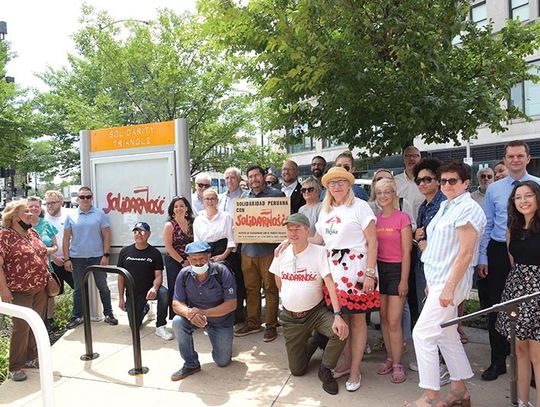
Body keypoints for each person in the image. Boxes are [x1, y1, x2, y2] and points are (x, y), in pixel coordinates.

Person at [407, 160, 486, 407]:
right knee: (446, 335)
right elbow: (442, 249)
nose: (446, 185)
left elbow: (465, 252)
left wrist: (449, 286)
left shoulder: (468, 208)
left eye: (453, 181)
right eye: (443, 180)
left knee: (422, 334)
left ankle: (431, 396)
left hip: (450, 282)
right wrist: (433, 281)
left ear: (465, 183)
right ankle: (459, 390)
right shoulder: (446, 206)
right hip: (439, 280)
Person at [477, 141, 540, 381]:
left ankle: (534, 368)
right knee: (497, 306)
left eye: (519, 155)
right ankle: (498, 361)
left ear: (528, 158)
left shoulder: (538, 186)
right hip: (499, 251)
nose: (515, 160)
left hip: (531, 252)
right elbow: (488, 224)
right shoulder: (494, 189)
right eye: (510, 156)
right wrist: (483, 256)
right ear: (504, 159)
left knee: (533, 310)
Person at [314, 166, 378, 392]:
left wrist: (370, 272)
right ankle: (346, 362)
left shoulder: (360, 207)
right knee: (343, 319)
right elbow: (318, 240)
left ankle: (355, 370)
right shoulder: (325, 210)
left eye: (341, 182)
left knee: (358, 321)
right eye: (332, 183)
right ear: (327, 187)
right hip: (335, 272)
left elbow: (373, 240)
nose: (337, 186)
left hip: (357, 269)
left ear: (349, 185)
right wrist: (291, 243)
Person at [270, 213, 349, 395]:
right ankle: (315, 341)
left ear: (307, 230)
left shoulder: (319, 252)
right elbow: (278, 281)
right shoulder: (281, 253)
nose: (293, 232)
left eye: (297, 228)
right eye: (289, 229)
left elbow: (330, 284)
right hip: (291, 318)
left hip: (315, 312)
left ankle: (325, 369)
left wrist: (338, 316)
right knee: (297, 370)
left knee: (340, 332)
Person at [496, 181, 540, 407]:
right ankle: (523, 401)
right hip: (517, 288)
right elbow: (514, 261)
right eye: (518, 197)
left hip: (538, 292)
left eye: (528, 195)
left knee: (538, 354)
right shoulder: (512, 227)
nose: (523, 201)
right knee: (519, 348)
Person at [170, 241, 237, 381]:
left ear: (209, 256)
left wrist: (202, 312)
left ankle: (223, 343)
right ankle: (191, 364)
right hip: (195, 318)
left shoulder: (221, 271)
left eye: (201, 259)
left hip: (220, 320)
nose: (198, 263)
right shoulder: (184, 274)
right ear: (188, 259)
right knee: (177, 322)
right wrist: (189, 313)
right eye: (194, 260)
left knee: (223, 362)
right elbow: (176, 303)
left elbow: (231, 304)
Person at [235, 164, 285, 342]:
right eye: (250, 176)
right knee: (251, 289)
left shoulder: (277, 195)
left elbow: (283, 223)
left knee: (271, 289)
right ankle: (253, 322)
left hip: (269, 251)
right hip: (248, 251)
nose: (254, 179)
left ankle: (271, 325)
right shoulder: (243, 197)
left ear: (264, 177)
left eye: (257, 176)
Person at [0, 200, 49, 382]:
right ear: (13, 216)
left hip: (40, 288)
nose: (31, 213)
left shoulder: (32, 232)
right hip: (20, 290)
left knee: (36, 323)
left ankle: (31, 358)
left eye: (31, 210)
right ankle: (15, 366)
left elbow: (42, 254)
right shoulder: (5, 235)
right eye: (26, 211)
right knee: (21, 328)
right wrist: (3, 289)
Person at [374, 178, 412, 384]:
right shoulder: (375, 219)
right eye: (379, 193)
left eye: (386, 192)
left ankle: (398, 363)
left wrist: (404, 280)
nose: (383, 196)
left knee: (395, 320)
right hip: (380, 270)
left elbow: (407, 252)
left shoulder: (402, 218)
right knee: (384, 319)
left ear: (393, 193)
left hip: (397, 270)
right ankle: (390, 357)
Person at [63, 187, 117, 329]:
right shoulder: (71, 216)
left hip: (97, 257)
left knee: (103, 287)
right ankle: (77, 316)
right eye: (82, 197)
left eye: (88, 196)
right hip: (77, 258)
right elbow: (66, 238)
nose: (85, 199)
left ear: (92, 198)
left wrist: (106, 255)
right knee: (78, 289)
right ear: (77, 199)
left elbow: (106, 235)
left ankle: (109, 314)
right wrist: (67, 259)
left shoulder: (100, 214)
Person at [193, 188, 244, 323]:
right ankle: (210, 316)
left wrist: (223, 256)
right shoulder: (198, 220)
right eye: (206, 199)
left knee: (232, 284)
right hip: (205, 255)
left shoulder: (226, 216)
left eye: (212, 198)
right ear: (203, 201)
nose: (209, 201)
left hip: (226, 253)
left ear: (217, 200)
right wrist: (205, 258)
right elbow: (197, 242)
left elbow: (231, 239)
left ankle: (234, 317)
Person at [117, 222, 173, 341]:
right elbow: (121, 277)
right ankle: (146, 308)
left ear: (148, 234)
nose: (139, 235)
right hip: (133, 293)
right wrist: (121, 298)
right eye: (136, 232)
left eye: (142, 232)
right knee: (134, 326)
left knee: (164, 293)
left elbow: (159, 276)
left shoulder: (155, 253)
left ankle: (160, 326)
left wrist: (154, 288)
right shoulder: (125, 252)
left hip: (149, 290)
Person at [27, 196, 58, 331]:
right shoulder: (21, 224)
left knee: (48, 293)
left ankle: (49, 320)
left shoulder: (47, 225)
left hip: (46, 266)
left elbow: (56, 246)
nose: (34, 209)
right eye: (31, 206)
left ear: (41, 209)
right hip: (26, 269)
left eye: (37, 206)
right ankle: (31, 323)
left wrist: (47, 250)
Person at [163, 196, 194, 320]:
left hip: (191, 261)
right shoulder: (169, 225)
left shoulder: (193, 223)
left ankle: (191, 315)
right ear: (172, 209)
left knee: (191, 289)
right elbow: (168, 247)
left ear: (187, 208)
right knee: (177, 288)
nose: (179, 208)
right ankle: (177, 316)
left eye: (181, 205)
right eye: (176, 206)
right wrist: (182, 261)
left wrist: (191, 260)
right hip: (174, 261)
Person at [44, 190, 74, 293]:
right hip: (52, 263)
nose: (50, 206)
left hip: (70, 260)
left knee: (81, 289)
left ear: (61, 203)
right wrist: (53, 257)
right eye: (48, 203)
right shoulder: (43, 220)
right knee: (55, 293)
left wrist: (67, 258)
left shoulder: (70, 216)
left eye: (53, 203)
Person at [395, 146, 425, 222]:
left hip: (422, 227)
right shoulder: (394, 181)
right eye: (408, 156)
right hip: (400, 227)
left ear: (420, 159)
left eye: (415, 156)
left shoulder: (426, 181)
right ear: (403, 159)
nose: (411, 158)